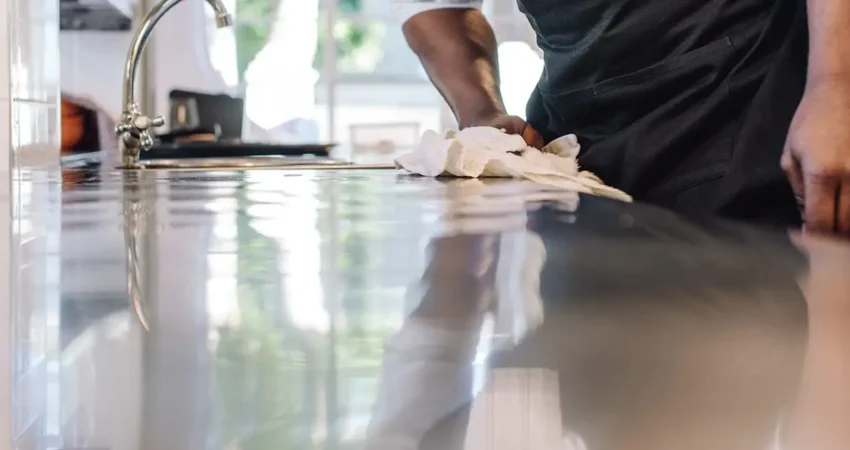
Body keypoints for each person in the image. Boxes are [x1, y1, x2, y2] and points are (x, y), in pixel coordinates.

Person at [395, 0, 850, 233]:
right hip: (581, 145)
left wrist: (834, 81)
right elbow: (437, 7)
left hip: (751, 100)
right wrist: (482, 113)